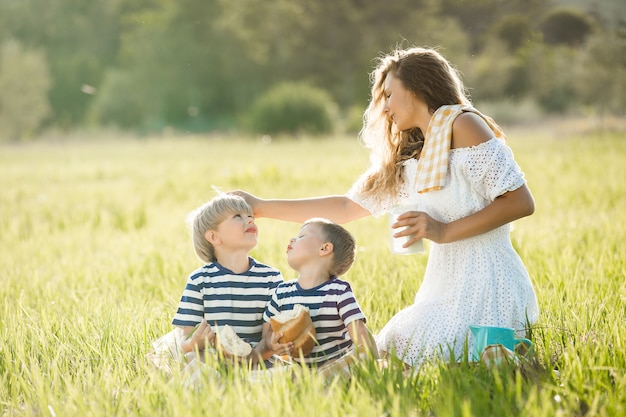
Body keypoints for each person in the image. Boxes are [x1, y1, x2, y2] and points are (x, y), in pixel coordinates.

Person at [232, 46, 539, 368]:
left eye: (390, 95)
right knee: (391, 352)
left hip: (489, 284)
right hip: (443, 287)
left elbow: (520, 201)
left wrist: (443, 230)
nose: (386, 107)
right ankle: (309, 384)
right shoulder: (414, 156)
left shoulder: (464, 125)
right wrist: (261, 206)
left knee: (434, 357)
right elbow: (347, 207)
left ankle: (508, 358)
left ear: (418, 88)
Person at [149, 193, 286, 371]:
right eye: (238, 217)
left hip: (259, 357)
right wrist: (194, 342)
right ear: (214, 237)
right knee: (197, 364)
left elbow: (270, 337)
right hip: (213, 358)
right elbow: (184, 340)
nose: (250, 221)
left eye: (250, 217)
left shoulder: (271, 278)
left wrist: (259, 354)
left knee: (285, 374)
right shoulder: (200, 281)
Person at [262, 218, 378, 369]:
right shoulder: (283, 292)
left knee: (346, 365)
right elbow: (266, 333)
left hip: (337, 365)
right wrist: (272, 343)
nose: (292, 239)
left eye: (301, 237)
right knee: (269, 369)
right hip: (300, 367)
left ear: (324, 248)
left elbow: (360, 333)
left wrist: (373, 365)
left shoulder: (338, 291)